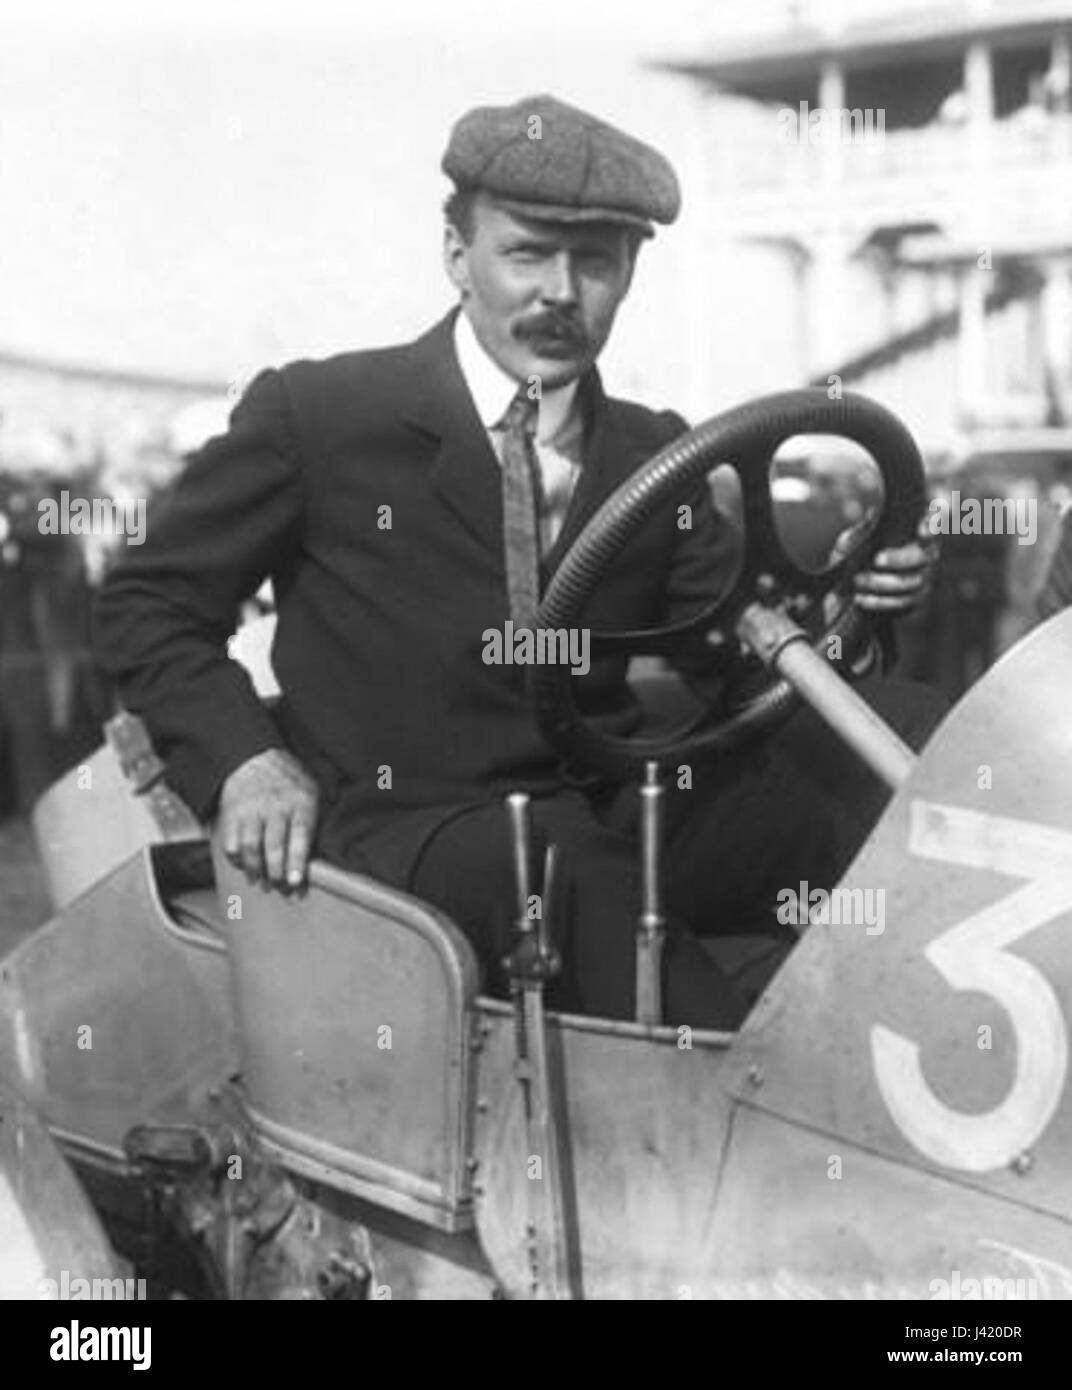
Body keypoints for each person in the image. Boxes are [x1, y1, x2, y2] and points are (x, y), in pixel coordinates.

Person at [95, 95, 943, 1028]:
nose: (560, 293)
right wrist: (244, 762)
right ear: (457, 254)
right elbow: (149, 603)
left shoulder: (654, 455)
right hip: (404, 822)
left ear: (629, 273)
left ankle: (955, 1056)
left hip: (615, 802)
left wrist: (857, 615)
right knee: (562, 871)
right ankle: (758, 1128)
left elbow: (740, 656)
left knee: (904, 746)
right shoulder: (322, 417)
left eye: (595, 262)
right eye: (527, 253)